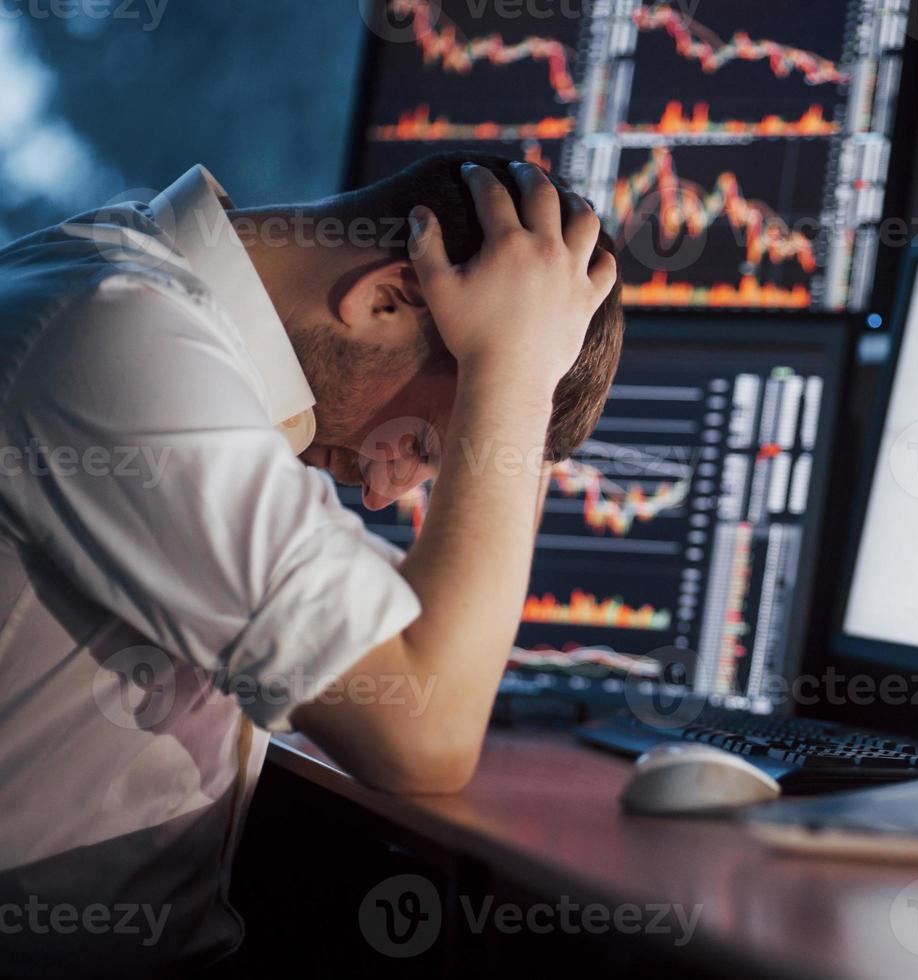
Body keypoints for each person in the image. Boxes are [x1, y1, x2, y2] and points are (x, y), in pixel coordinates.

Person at [0, 152, 623, 977]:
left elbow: (399, 628)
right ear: (387, 297)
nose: (383, 489)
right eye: (421, 446)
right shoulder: (118, 334)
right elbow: (422, 731)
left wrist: (520, 378)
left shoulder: (125, 298)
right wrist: (508, 372)